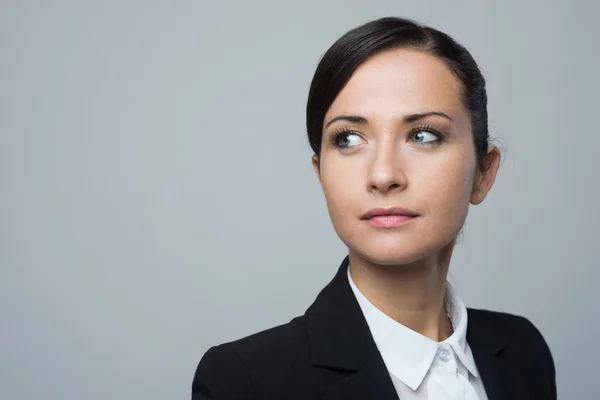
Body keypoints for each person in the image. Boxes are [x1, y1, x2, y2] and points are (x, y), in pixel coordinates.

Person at [191, 16, 557, 400]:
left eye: (424, 135)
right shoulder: (247, 381)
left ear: (483, 172)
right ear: (322, 174)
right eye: (348, 139)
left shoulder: (523, 353)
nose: (383, 175)